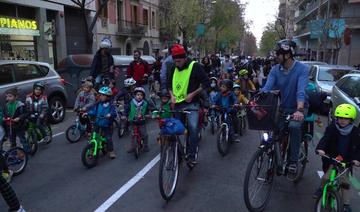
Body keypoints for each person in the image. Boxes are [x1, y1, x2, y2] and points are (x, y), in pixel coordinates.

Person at [261, 39, 309, 175]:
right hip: (283, 107)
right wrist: (257, 99)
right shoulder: (275, 69)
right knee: (273, 129)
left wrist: (299, 110)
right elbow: (267, 87)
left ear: (287, 55)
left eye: (278, 54)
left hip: (299, 107)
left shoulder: (302, 69)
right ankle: (275, 155)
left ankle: (293, 162)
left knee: (294, 126)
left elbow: (300, 91)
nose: (276, 56)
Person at [167, 44, 210, 166]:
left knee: (193, 128)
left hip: (192, 104)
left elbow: (206, 82)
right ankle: (178, 154)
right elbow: (169, 84)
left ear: (185, 58)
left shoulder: (195, 66)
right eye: (175, 61)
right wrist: (171, 96)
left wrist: (193, 94)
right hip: (178, 104)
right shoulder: (172, 67)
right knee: (176, 130)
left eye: (179, 61)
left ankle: (191, 156)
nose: (177, 63)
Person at [314, 104, 360, 212]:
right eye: (340, 118)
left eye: (346, 118)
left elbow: (358, 148)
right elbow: (325, 139)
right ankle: (321, 189)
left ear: (351, 119)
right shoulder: (332, 128)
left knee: (345, 183)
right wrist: (321, 149)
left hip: (346, 161)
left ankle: (345, 204)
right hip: (332, 158)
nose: (342, 120)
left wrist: (357, 159)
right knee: (326, 177)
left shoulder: (355, 131)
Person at [87, 87, 117, 159]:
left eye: (103, 95)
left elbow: (114, 113)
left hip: (106, 124)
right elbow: (93, 111)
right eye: (100, 95)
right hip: (97, 122)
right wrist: (87, 113)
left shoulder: (111, 105)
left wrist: (110, 115)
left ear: (108, 97)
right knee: (92, 136)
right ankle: (91, 149)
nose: (101, 97)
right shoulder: (98, 104)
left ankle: (111, 151)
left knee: (108, 138)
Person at [3, 88, 29, 153]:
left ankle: (27, 151)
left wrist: (19, 118)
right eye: (7, 96)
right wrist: (4, 118)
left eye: (10, 96)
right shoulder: (6, 105)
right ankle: (13, 153)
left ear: (16, 97)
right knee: (12, 140)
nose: (8, 98)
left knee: (22, 139)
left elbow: (26, 113)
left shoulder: (20, 105)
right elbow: (5, 114)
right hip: (10, 126)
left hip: (19, 125)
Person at [127, 87, 151, 153]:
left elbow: (148, 110)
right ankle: (132, 147)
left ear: (143, 96)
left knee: (144, 134)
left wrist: (148, 114)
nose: (139, 96)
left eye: (141, 95)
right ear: (135, 95)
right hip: (133, 121)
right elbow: (127, 109)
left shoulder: (145, 103)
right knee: (132, 135)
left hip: (141, 122)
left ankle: (145, 146)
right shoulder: (131, 102)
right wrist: (124, 115)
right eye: (138, 95)